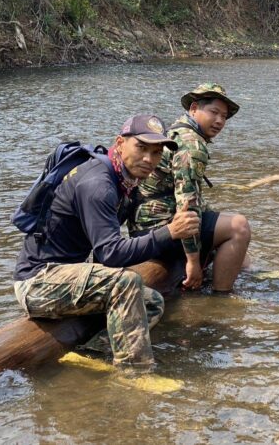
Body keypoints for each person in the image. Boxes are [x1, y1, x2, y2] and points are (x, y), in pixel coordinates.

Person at [13, 115, 201, 369]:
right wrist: (169, 232)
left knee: (151, 302)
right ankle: (135, 372)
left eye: (156, 152)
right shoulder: (98, 184)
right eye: (141, 148)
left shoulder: (124, 181)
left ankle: (94, 354)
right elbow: (111, 253)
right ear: (120, 143)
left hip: (66, 275)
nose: (149, 159)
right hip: (38, 283)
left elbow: (105, 255)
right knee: (126, 283)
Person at [129, 83, 251, 293]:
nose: (219, 121)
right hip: (161, 229)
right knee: (239, 226)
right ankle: (221, 297)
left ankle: (249, 272)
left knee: (241, 251)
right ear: (194, 108)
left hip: (143, 225)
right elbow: (187, 207)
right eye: (214, 112)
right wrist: (193, 262)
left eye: (224, 116)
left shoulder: (176, 131)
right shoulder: (192, 144)